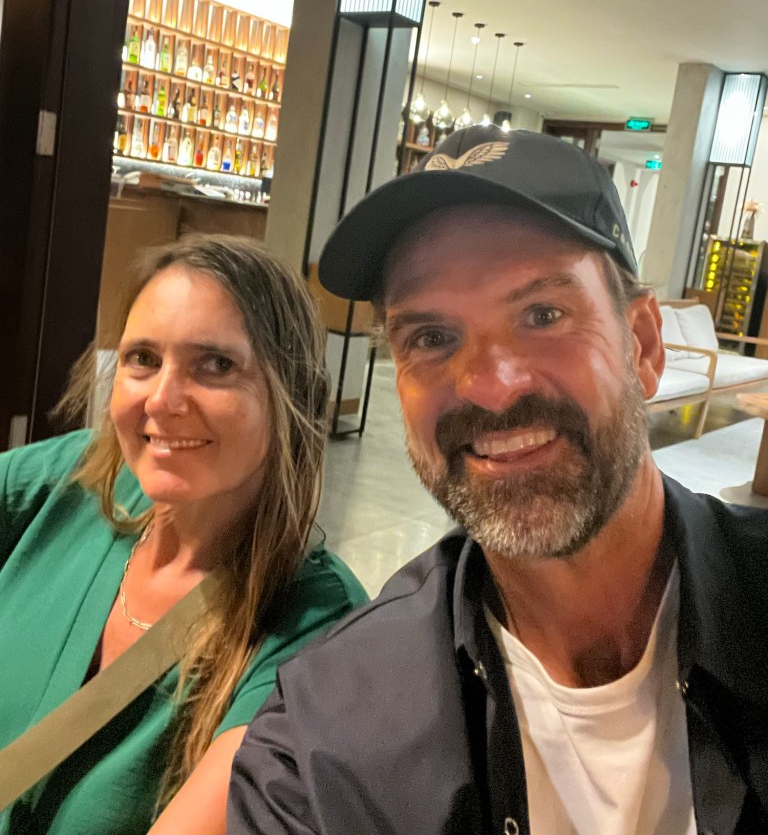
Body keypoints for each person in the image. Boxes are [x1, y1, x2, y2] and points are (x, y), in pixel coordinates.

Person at [229, 125, 768, 834]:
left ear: (642, 345)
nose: (490, 386)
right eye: (431, 338)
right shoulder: (322, 745)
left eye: (543, 315)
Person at [0, 233, 367, 835]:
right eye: (143, 358)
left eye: (216, 365)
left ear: (289, 392)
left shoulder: (316, 628)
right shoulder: (72, 480)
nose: (163, 400)